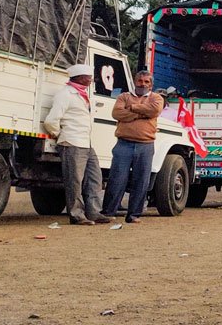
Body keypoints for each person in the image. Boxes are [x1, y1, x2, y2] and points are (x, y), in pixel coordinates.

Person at [43, 64, 112, 225]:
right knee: (74, 181)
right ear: (79, 77)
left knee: (95, 178)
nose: (91, 79)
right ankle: (76, 214)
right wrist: (60, 134)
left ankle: (94, 212)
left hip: (85, 143)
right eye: (88, 77)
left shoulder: (80, 94)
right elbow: (51, 120)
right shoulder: (65, 94)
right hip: (72, 142)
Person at [102, 68, 164, 224]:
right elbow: (117, 114)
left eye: (146, 82)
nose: (142, 84)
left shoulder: (156, 98)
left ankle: (134, 215)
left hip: (146, 145)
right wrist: (143, 113)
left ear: (151, 85)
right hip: (124, 143)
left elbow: (154, 110)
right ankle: (109, 212)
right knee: (117, 178)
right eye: (140, 81)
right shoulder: (124, 96)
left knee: (141, 180)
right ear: (135, 82)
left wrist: (133, 108)